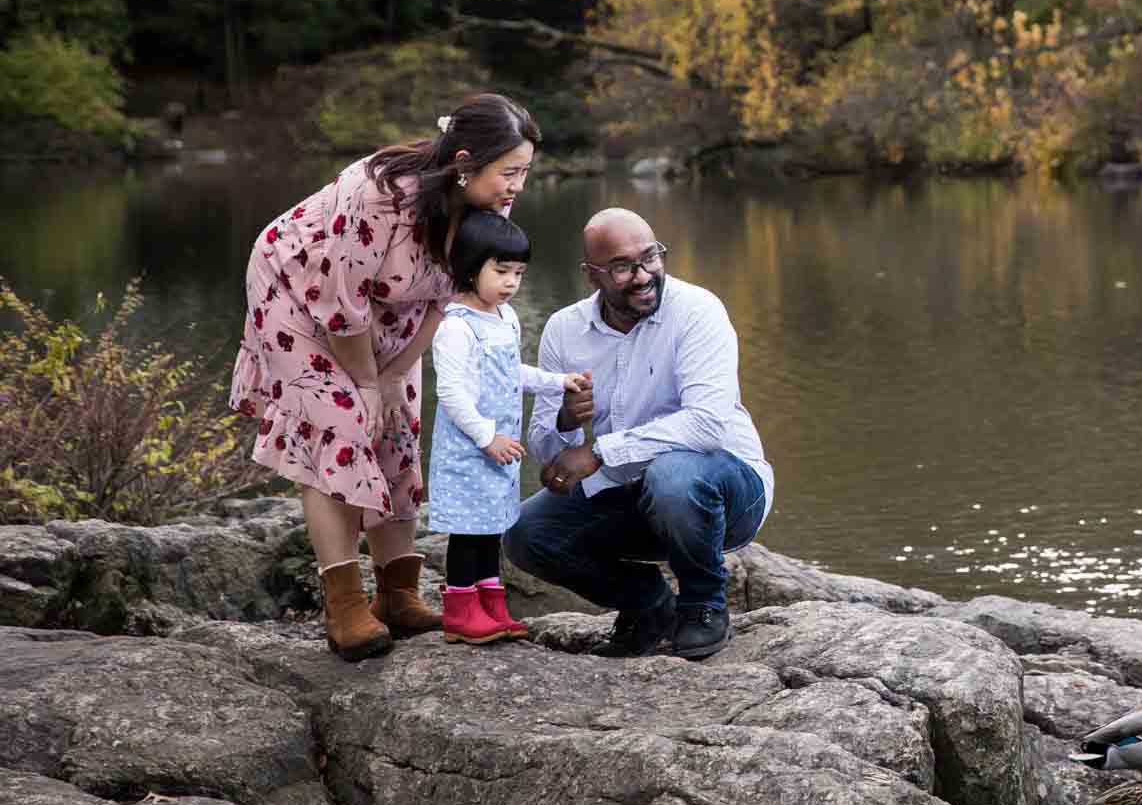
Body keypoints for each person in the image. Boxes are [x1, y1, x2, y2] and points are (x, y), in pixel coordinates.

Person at [229, 92, 540, 661]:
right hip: (299, 294)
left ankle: (396, 593)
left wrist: (396, 373)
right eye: (510, 171)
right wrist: (367, 383)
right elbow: (339, 306)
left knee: (397, 429)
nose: (517, 185)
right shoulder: (375, 196)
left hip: (396, 310)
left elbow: (454, 296)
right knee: (342, 427)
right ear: (467, 160)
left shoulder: (490, 206)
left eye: (524, 172)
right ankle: (344, 603)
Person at [504, 208, 773, 660]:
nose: (643, 275)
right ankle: (650, 606)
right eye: (623, 267)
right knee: (526, 533)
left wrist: (600, 451)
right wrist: (567, 424)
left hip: (728, 490)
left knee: (673, 475)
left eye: (651, 257)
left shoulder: (696, 311)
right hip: (633, 495)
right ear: (591, 275)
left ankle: (703, 604)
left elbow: (706, 424)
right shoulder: (564, 330)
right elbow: (550, 456)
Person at [427, 210, 588, 645]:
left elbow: (509, 372)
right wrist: (486, 437)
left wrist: (556, 381)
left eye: (518, 272)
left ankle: (491, 607)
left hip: (502, 449)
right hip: (472, 449)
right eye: (501, 271)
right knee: (467, 533)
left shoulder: (505, 317)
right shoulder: (456, 328)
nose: (512, 282)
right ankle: (461, 614)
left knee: (491, 528)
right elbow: (452, 393)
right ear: (469, 266)